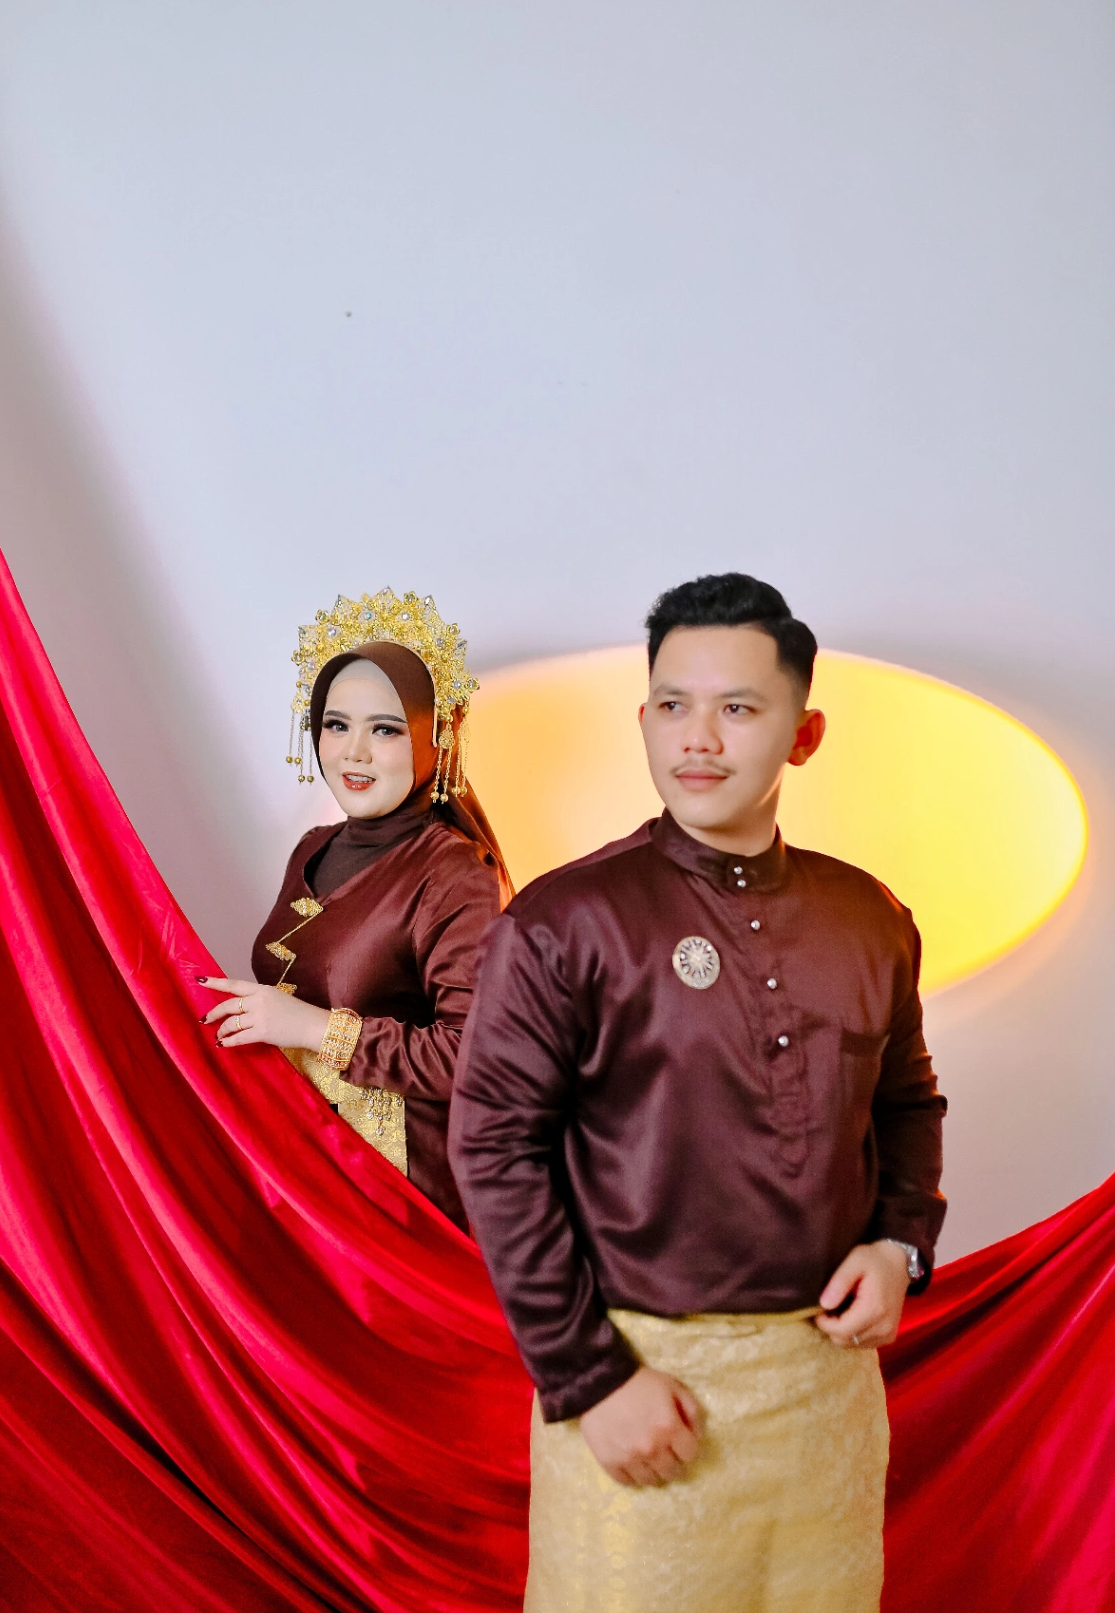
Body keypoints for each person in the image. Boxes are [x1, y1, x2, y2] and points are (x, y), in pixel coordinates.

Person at [449, 572, 946, 1612]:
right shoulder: (563, 922)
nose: (699, 739)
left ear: (803, 736)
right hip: (639, 1386)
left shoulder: (870, 918)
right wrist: (590, 1379)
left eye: (738, 709)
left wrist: (899, 1244)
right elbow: (493, 1149)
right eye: (673, 705)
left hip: (823, 1395)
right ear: (642, 720)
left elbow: (906, 1104)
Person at [201, 588, 510, 1227]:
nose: (354, 753)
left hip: (395, 1196)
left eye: (386, 730)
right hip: (302, 1163)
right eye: (337, 725)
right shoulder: (313, 847)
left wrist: (314, 1029)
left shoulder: (454, 871)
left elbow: (475, 1057)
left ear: (435, 738)